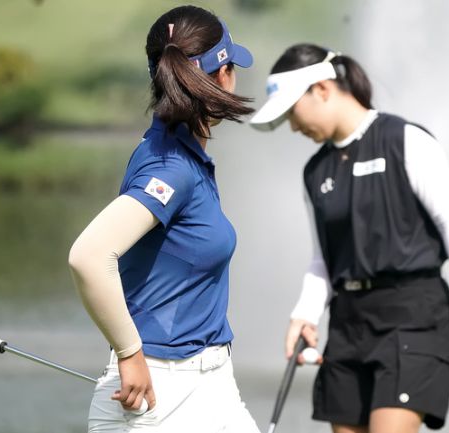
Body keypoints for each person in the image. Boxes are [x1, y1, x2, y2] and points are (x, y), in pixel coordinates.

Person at [250, 44, 449, 433]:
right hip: (348, 323)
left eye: (292, 112)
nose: (294, 127)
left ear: (322, 89)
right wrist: (304, 314)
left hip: (413, 315)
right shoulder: (315, 172)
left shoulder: (406, 140)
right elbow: (323, 258)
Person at [68, 6, 260, 433]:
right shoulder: (170, 168)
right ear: (222, 74)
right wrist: (129, 353)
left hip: (214, 385)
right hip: (159, 395)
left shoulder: (182, 154)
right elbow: (89, 256)